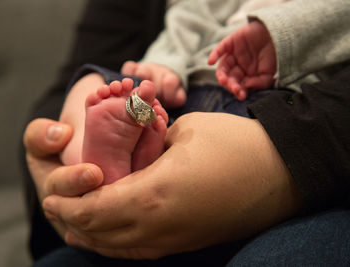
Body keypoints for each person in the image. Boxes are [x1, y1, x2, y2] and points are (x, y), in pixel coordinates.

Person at [22, 0, 350, 265]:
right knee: (93, 82)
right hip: (180, 96)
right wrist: (164, 64)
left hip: (274, 112)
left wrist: (280, 34)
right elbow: (190, 14)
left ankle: (120, 167)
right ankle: (95, 166)